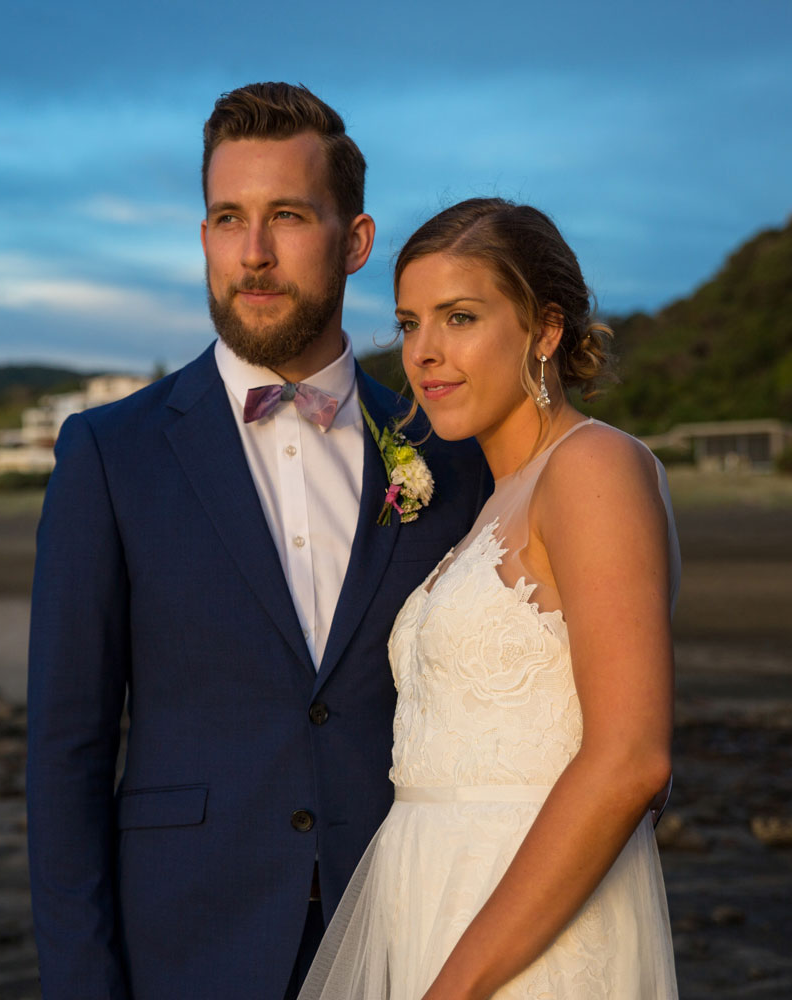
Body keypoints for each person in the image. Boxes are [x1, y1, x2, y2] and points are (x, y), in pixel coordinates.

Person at [25, 84, 489, 1000]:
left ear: (355, 241)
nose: (254, 253)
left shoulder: (451, 456)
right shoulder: (108, 455)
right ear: (203, 236)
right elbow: (66, 751)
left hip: (411, 935)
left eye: (287, 216)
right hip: (190, 945)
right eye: (227, 218)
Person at [298, 199, 681, 999]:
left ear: (545, 331)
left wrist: (455, 988)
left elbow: (631, 759)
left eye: (459, 317)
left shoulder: (594, 468)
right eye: (408, 324)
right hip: (431, 906)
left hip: (522, 942)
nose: (424, 354)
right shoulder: (494, 497)